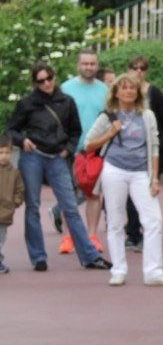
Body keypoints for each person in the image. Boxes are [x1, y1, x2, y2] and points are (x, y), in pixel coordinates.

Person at [7, 63, 111, 271]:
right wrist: (23, 141)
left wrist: (68, 150)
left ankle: (89, 255)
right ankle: (38, 257)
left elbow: (75, 130)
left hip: (57, 157)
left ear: (54, 77)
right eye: (41, 81)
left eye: (49, 78)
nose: (46, 83)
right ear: (35, 83)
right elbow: (11, 130)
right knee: (33, 208)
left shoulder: (66, 101)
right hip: (33, 157)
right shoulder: (27, 103)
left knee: (70, 206)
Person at [84, 72, 163, 286]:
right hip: (114, 170)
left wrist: (154, 179)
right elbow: (89, 144)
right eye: (124, 87)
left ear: (137, 92)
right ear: (116, 92)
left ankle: (153, 271)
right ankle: (118, 270)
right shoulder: (108, 115)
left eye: (132, 88)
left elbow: (154, 147)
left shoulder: (146, 115)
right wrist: (110, 133)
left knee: (153, 220)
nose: (128, 91)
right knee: (116, 221)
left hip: (140, 173)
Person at [55, 47, 108, 255]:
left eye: (92, 63)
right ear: (78, 65)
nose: (89, 67)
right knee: (69, 195)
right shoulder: (66, 88)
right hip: (69, 150)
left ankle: (92, 236)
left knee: (94, 194)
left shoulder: (105, 90)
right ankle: (70, 236)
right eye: (85, 63)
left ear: (97, 65)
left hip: (94, 152)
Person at [124, 56, 163, 251]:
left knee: (146, 194)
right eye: (134, 67)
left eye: (143, 68)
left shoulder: (153, 93)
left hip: (151, 155)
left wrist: (159, 145)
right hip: (130, 154)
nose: (138, 71)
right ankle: (132, 233)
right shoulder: (124, 92)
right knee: (129, 195)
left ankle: (146, 233)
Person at [0, 133, 24, 274]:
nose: (4, 156)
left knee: (0, 239)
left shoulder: (14, 173)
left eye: (7, 153)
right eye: (1, 152)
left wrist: (15, 202)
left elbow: (19, 190)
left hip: (5, 213)